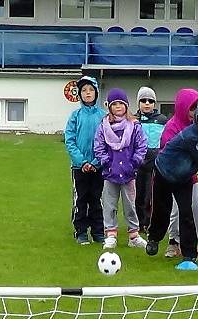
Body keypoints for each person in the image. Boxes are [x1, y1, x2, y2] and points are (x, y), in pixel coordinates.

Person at [145, 100, 198, 271]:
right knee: (161, 210)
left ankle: (189, 255)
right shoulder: (193, 136)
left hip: (183, 177)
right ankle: (154, 238)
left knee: (186, 213)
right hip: (164, 173)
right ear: (197, 120)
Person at [160, 88, 198, 258]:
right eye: (192, 108)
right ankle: (173, 242)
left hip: (190, 175)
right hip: (173, 177)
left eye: (197, 109)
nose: (194, 113)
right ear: (182, 107)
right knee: (176, 210)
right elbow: (169, 152)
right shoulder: (171, 127)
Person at [94, 88, 148, 249]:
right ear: (109, 107)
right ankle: (110, 234)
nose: (118, 107)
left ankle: (134, 235)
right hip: (110, 173)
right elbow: (99, 146)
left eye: (121, 104)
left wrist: (134, 163)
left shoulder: (134, 126)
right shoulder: (104, 126)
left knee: (130, 204)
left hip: (128, 173)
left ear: (126, 106)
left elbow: (141, 146)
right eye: (114, 104)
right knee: (109, 204)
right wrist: (106, 162)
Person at [64, 76, 106, 245]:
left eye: (90, 90)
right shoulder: (75, 116)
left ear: (96, 92)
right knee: (80, 199)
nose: (87, 93)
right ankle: (80, 231)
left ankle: (98, 231)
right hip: (79, 167)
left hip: (98, 167)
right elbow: (70, 140)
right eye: (84, 90)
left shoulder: (103, 116)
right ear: (79, 95)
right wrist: (82, 162)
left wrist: (96, 162)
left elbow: (107, 141)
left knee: (97, 199)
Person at [134, 87, 167, 231]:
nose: (147, 103)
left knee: (151, 194)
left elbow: (167, 140)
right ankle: (139, 222)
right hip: (137, 161)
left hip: (155, 162)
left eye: (150, 101)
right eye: (143, 100)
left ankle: (149, 222)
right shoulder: (133, 120)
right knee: (137, 194)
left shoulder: (162, 120)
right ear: (138, 103)